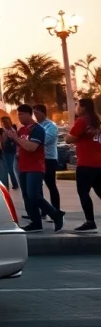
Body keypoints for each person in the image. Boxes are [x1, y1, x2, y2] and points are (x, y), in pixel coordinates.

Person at [8, 104, 63, 233]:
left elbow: (32, 147)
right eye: (18, 115)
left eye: (21, 114)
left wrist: (16, 138)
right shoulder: (22, 130)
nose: (19, 117)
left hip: (35, 166)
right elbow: (20, 146)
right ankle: (35, 222)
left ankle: (55, 214)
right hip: (23, 166)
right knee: (26, 195)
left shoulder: (38, 129)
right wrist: (11, 139)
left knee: (34, 194)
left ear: (29, 114)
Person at [66, 98, 101, 233]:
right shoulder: (97, 121)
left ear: (83, 107)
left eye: (77, 105)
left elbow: (69, 138)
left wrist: (73, 135)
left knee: (83, 192)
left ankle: (90, 222)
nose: (77, 108)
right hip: (98, 162)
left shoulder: (82, 120)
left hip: (85, 163)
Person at [32, 104, 61, 213]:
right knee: (37, 186)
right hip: (37, 159)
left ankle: (56, 210)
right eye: (33, 113)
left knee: (51, 185)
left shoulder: (51, 126)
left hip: (49, 159)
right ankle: (43, 211)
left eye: (36, 113)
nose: (35, 115)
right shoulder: (35, 126)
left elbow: (46, 140)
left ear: (43, 113)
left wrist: (33, 141)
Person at [0, 116, 20, 191]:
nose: (2, 124)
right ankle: (11, 184)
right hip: (7, 150)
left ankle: (14, 184)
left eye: (3, 122)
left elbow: (7, 142)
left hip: (10, 151)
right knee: (7, 168)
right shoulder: (8, 130)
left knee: (9, 168)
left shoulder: (10, 130)